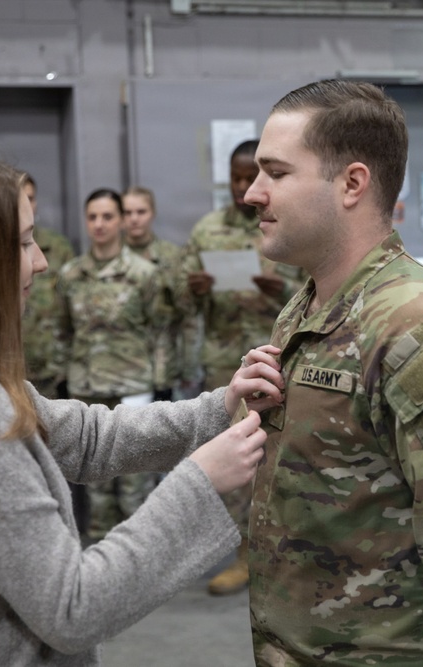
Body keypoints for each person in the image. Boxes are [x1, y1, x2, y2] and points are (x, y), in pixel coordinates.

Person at [0, 146, 276, 665]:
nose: (41, 262)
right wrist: (199, 482)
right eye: (24, 243)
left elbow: (83, 437)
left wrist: (217, 408)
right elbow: (74, 607)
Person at [238, 79, 423, 664]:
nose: (253, 193)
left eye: (275, 173)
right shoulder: (306, 308)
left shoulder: (419, 331)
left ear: (352, 183)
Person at [181, 140, 305, 595]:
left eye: (246, 177)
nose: (240, 187)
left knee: (281, 457)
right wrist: (193, 288)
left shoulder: (285, 225)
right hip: (223, 365)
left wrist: (279, 290)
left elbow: (313, 286)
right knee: (234, 461)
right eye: (233, 179)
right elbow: (176, 299)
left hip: (276, 361)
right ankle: (240, 554)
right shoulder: (207, 231)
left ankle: (277, 551)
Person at [57, 189, 171, 539]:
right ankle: (102, 572)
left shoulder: (143, 274)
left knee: (136, 485)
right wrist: (64, 379)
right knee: (96, 484)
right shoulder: (71, 274)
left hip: (132, 388)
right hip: (87, 388)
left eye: (107, 217)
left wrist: (161, 381)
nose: (99, 224)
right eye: (92, 217)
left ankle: (142, 562)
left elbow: (159, 331)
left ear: (121, 221)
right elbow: (64, 330)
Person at [122, 186, 191, 401]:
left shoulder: (171, 256)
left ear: (152, 213)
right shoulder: (113, 257)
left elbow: (186, 312)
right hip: (123, 361)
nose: (134, 219)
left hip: (165, 360)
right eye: (127, 212)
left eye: (141, 212)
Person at [20, 174, 76, 401]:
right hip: (7, 364)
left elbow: (71, 309)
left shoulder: (58, 247)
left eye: (30, 197)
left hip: (48, 369)